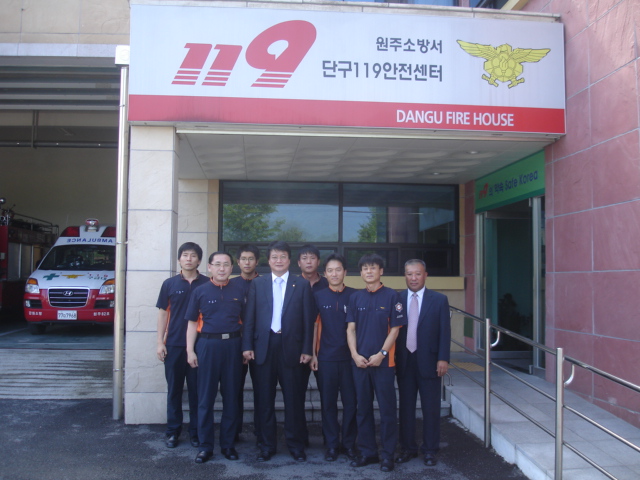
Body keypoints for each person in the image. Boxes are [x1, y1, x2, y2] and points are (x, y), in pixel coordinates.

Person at [242, 240, 315, 462]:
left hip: (292, 348)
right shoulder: (259, 284)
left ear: (290, 260)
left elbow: (308, 320)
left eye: (283, 256)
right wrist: (247, 346)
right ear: (268, 260)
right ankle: (267, 445)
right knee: (264, 400)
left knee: (294, 400)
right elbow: (249, 318)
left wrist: (307, 348)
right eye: (274, 257)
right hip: (263, 348)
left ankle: (295, 445)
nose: (279, 260)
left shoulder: (301, 284)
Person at [346, 253, 406, 472]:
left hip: (384, 363)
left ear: (381, 271)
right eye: (365, 268)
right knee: (363, 409)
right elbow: (350, 329)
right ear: (360, 273)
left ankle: (388, 455)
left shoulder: (392, 296)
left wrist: (381, 353)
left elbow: (395, 330)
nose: (368, 271)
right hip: (360, 363)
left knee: (387, 410)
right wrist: (354, 355)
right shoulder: (355, 298)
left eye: (373, 268)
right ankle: (368, 452)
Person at [185, 251, 245, 464]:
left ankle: (228, 445)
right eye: (217, 264)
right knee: (205, 399)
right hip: (207, 346)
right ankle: (205, 447)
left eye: (226, 264)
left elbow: (246, 322)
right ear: (209, 267)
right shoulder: (200, 291)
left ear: (231, 268)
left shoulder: (239, 291)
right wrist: (190, 351)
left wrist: (246, 348)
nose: (222, 268)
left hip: (233, 346)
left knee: (231, 398)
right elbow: (192, 322)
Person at [395, 259, 451, 467]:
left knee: (431, 408)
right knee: (406, 408)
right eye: (409, 274)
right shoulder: (397, 298)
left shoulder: (439, 300)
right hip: (404, 361)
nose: (413, 278)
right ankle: (407, 448)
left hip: (430, 361)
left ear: (425, 275)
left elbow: (445, 331)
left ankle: (430, 450)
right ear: (405, 276)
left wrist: (443, 358)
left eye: (417, 274)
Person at [155, 242, 209, 449]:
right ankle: (173, 432)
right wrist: (159, 342)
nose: (189, 259)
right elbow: (163, 314)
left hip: (200, 345)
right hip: (174, 344)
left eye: (193, 255)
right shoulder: (169, 284)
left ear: (199, 260)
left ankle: (196, 432)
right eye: (185, 255)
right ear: (179, 259)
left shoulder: (207, 283)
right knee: (174, 390)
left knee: (197, 392)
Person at [310, 253, 357, 462]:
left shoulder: (355, 296)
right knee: (328, 404)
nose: (334, 274)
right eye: (330, 270)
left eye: (338, 270)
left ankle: (349, 444)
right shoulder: (318, 296)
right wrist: (313, 354)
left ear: (345, 272)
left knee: (351, 403)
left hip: (350, 360)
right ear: (325, 273)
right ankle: (331, 445)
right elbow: (313, 326)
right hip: (326, 359)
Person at [296, 244, 328, 446]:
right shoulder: (292, 284)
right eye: (304, 258)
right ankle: (300, 439)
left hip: (324, 348)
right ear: (298, 262)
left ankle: (329, 440)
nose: (308, 262)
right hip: (298, 348)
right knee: (297, 395)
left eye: (312, 258)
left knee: (327, 395)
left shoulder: (328, 283)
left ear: (318, 261)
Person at [229, 244, 260, 444]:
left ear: (257, 261)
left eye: (251, 259)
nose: (247, 262)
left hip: (260, 344)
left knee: (261, 389)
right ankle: (234, 431)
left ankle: (260, 432)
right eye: (243, 259)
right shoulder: (231, 284)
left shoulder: (265, 283)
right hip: (235, 344)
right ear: (238, 262)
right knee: (234, 389)